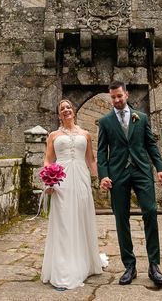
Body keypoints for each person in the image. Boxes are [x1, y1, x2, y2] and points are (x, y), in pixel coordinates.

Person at [97, 81, 162, 287]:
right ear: (110, 98)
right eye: (113, 97)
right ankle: (129, 266)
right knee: (121, 219)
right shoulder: (105, 122)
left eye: (119, 96)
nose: (117, 100)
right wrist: (103, 175)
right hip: (118, 174)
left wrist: (160, 169)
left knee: (150, 212)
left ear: (126, 94)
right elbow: (102, 153)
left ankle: (154, 265)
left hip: (141, 171)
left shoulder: (142, 118)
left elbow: (151, 145)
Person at [40, 99, 103, 290]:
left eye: (68, 107)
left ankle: (84, 261)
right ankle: (64, 268)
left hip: (82, 179)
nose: (66, 110)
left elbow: (91, 160)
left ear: (73, 111)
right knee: (64, 220)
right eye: (62, 109)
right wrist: (48, 181)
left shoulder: (86, 134)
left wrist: (99, 180)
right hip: (61, 180)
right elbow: (48, 160)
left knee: (81, 217)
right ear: (59, 115)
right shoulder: (53, 135)